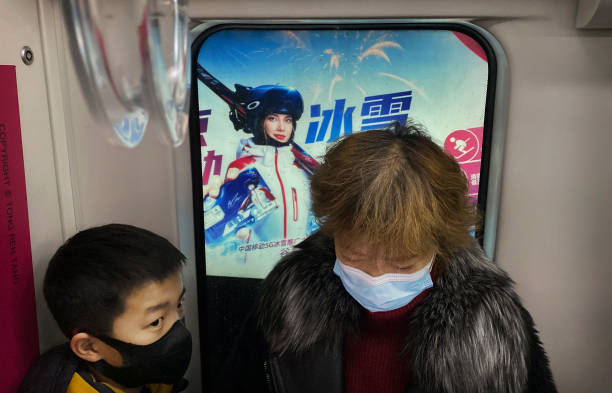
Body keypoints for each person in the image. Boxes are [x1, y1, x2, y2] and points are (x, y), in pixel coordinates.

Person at [222, 122, 557, 393]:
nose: (375, 277)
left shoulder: (493, 320)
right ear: (332, 231)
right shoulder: (288, 296)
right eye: (353, 255)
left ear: (440, 242)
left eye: (402, 263)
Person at [19, 224, 192, 393]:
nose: (179, 331)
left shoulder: (150, 378)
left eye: (179, 305)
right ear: (90, 347)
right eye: (156, 322)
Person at [204, 85, 319, 245]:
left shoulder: (302, 170)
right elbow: (226, 217)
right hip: (258, 261)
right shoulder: (243, 167)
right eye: (272, 118)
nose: (281, 127)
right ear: (259, 121)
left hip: (298, 262)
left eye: (288, 120)